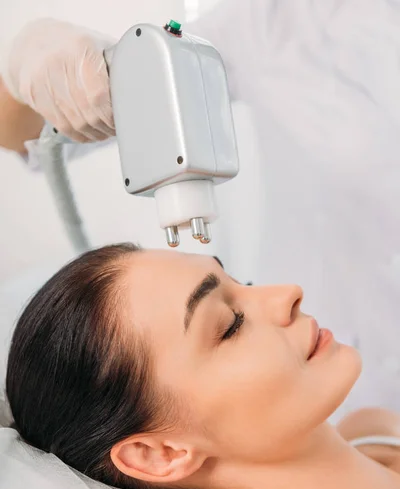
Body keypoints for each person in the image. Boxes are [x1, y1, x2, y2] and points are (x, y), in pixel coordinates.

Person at [1, 4, 400, 419]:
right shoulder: (278, 24)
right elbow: (19, 129)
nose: (288, 295)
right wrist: (32, 63)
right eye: (228, 323)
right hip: (325, 387)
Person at [6, 243, 400, 489]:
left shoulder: (374, 430)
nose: (287, 293)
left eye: (241, 283)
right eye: (231, 324)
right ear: (159, 453)